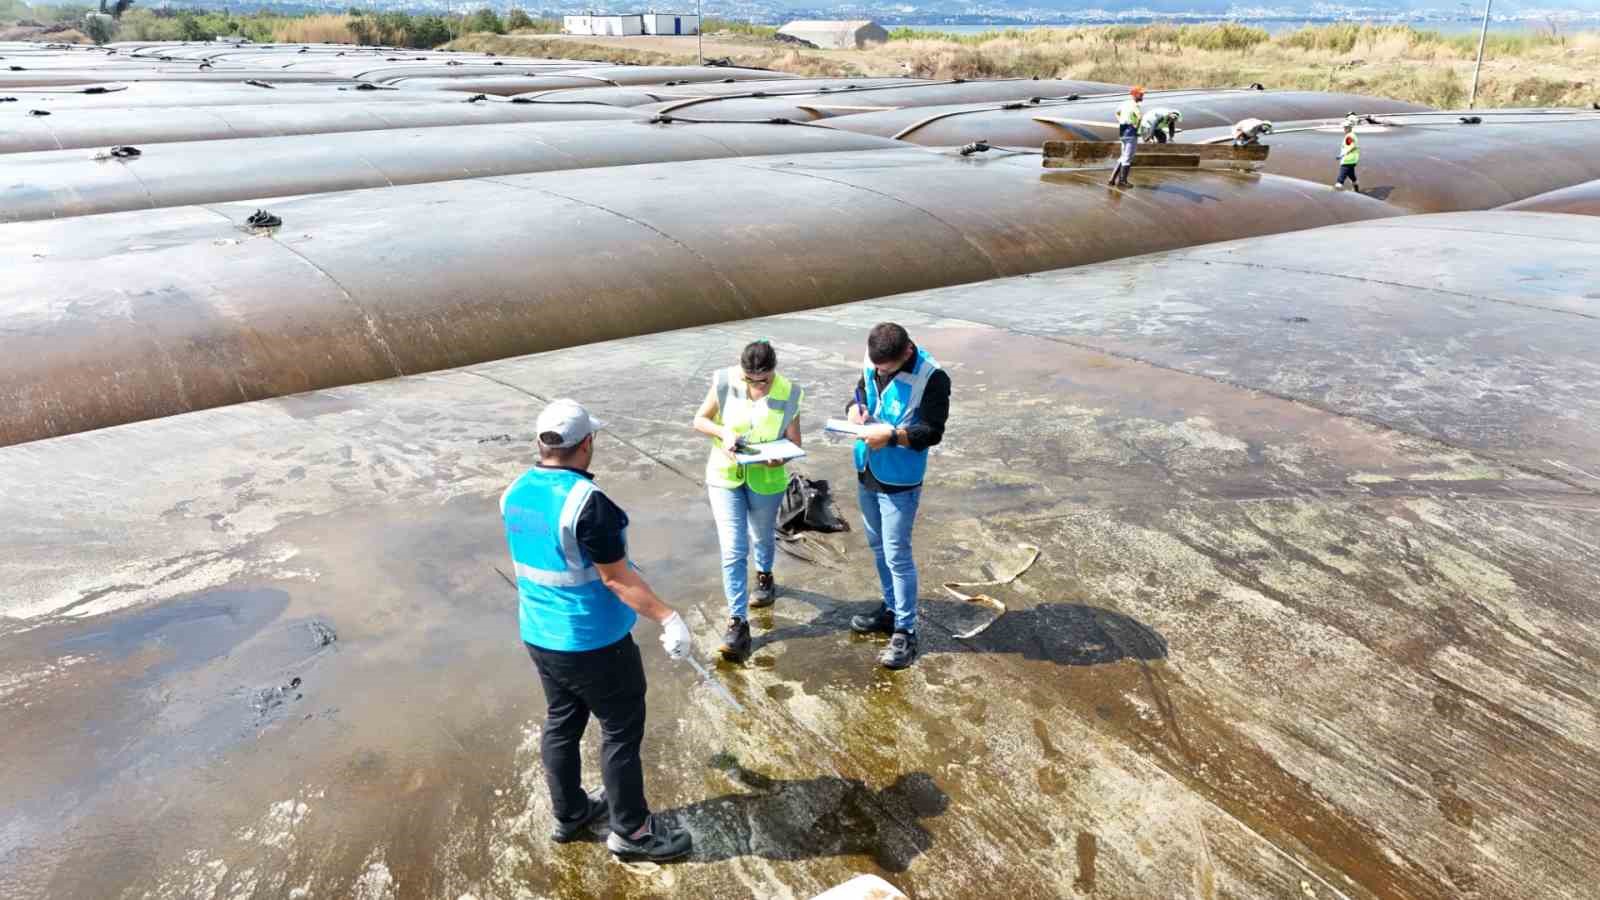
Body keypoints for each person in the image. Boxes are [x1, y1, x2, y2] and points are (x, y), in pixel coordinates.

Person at [500, 398, 695, 863]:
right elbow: (617, 579)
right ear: (586, 444)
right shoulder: (589, 504)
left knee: (562, 722)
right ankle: (632, 831)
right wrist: (668, 617)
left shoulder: (514, 492)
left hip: (539, 635)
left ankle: (569, 814)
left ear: (542, 444)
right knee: (621, 730)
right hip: (593, 641)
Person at [845, 323, 951, 670]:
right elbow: (861, 391)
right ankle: (891, 610)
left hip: (900, 481)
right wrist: (853, 409)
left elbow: (931, 433)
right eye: (875, 365)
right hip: (868, 470)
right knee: (878, 548)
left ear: (906, 353)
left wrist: (890, 437)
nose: (877, 371)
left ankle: (906, 630)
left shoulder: (932, 378)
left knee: (897, 555)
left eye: (884, 367)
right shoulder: (875, 358)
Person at [691, 339, 804, 662]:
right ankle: (737, 622)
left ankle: (765, 575)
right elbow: (700, 420)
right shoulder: (725, 381)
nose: (756, 385)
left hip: (767, 479)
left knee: (762, 534)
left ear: (774, 371)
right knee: (734, 547)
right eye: (750, 379)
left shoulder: (790, 392)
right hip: (725, 475)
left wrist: (779, 459)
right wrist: (723, 433)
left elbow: (795, 441)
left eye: (763, 380)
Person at [1108, 85, 1144, 187]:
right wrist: (1136, 127)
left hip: (1122, 131)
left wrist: (1120, 120)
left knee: (1123, 156)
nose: (1143, 96)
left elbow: (1117, 112)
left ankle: (1112, 179)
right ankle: (1122, 181)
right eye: (1141, 94)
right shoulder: (1135, 105)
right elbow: (1139, 117)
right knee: (1128, 157)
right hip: (1131, 132)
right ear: (1135, 95)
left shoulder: (1125, 103)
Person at [1334, 115, 1361, 193]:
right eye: (1344, 128)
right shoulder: (1353, 135)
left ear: (1349, 128)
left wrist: (1341, 155)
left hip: (1348, 159)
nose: (1344, 129)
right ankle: (1356, 187)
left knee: (1342, 175)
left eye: (1345, 128)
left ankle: (1338, 186)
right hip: (1353, 159)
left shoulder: (1349, 136)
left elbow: (1351, 146)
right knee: (1351, 174)